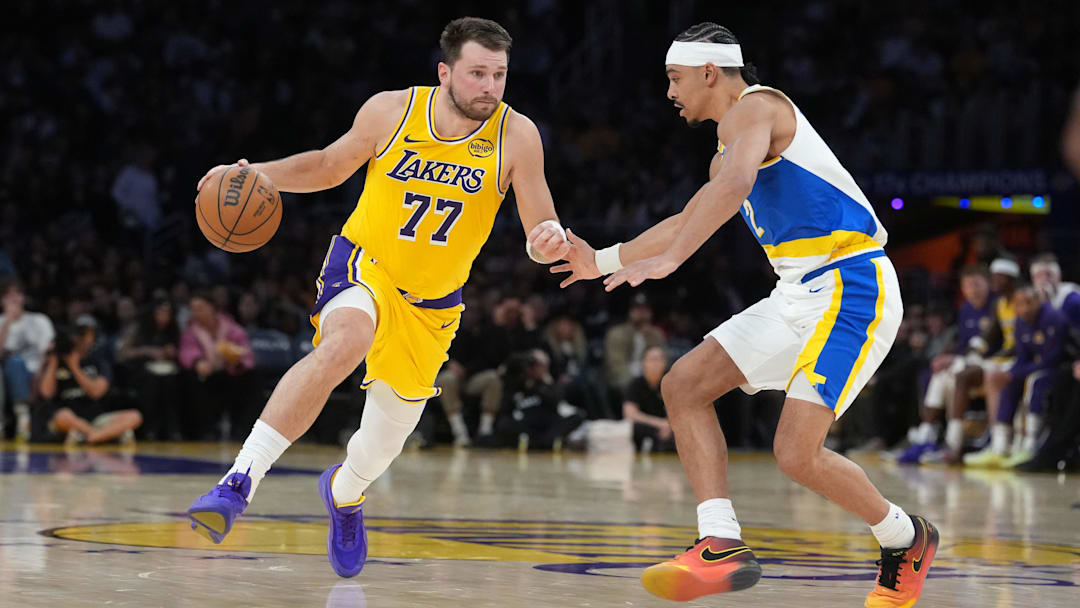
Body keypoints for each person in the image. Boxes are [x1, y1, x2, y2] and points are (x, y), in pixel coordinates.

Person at [553, 23, 937, 605]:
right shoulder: (729, 147)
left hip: (851, 285)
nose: (669, 92)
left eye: (674, 78)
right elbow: (692, 213)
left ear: (710, 73)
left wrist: (671, 261)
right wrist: (601, 258)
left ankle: (904, 538)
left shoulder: (759, 107)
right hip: (797, 292)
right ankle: (720, 543)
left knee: (795, 454)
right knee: (683, 385)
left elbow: (731, 190)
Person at [186, 17, 570, 581]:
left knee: (379, 447)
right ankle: (237, 482)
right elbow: (325, 165)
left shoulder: (519, 135)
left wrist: (547, 239)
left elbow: (540, 224)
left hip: (434, 305)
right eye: (477, 74)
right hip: (365, 264)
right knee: (345, 342)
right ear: (445, 73)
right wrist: (253, 173)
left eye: (499, 75)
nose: (490, 86)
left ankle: (344, 494)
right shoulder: (391, 111)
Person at [964, 285, 1067, 468]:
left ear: (1039, 301)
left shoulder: (1054, 318)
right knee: (1008, 381)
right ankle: (1000, 446)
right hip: (1037, 367)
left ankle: (1030, 446)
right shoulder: (1020, 322)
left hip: (1062, 368)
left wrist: (1018, 372)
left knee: (1033, 381)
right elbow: (1023, 357)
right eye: (1019, 304)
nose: (1025, 308)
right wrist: (1012, 374)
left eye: (1029, 303)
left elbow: (1054, 359)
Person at [900, 265, 992, 464]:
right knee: (940, 375)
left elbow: (988, 344)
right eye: (968, 285)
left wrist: (956, 358)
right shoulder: (966, 309)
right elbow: (963, 344)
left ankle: (953, 443)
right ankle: (927, 438)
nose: (973, 289)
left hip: (991, 360)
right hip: (969, 359)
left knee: (955, 372)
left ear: (988, 284)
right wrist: (948, 355)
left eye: (977, 284)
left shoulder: (995, 305)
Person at [35, 317, 142, 444]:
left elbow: (97, 392)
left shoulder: (98, 363)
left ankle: (90, 435)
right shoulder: (57, 362)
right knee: (62, 416)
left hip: (96, 418)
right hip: (68, 417)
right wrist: (53, 361)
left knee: (135, 416)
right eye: (78, 334)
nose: (81, 338)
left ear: (92, 338)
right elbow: (46, 393)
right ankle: (102, 435)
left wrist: (74, 367)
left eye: (85, 334)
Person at [178, 291, 256, 440]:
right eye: (193, 309)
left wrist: (237, 359)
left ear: (212, 307)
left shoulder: (231, 327)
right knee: (191, 379)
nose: (195, 312)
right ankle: (206, 431)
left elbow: (245, 350)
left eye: (200, 307)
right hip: (206, 375)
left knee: (252, 377)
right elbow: (186, 351)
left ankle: (242, 430)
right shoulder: (191, 331)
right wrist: (197, 361)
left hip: (229, 373)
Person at [0, 279, 55, 440]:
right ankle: (6, 423)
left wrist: (40, 375)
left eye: (18, 293)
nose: (14, 298)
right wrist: (8, 322)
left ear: (24, 297)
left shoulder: (39, 320)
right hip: (5, 378)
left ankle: (23, 418)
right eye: (9, 295)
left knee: (17, 363)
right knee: (14, 362)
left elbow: (48, 353)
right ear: (2, 300)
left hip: (36, 374)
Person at [603, 293, 666, 392]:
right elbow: (616, 366)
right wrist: (639, 383)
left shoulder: (656, 334)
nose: (641, 313)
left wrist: (649, 338)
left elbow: (664, 360)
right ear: (630, 312)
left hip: (651, 377)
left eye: (645, 309)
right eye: (637, 309)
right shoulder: (616, 333)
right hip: (624, 379)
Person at [622, 346, 674, 452]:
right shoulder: (636, 384)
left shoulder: (671, 383)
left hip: (671, 427)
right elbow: (629, 414)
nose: (655, 364)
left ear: (664, 363)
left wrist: (670, 425)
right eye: (652, 359)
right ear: (643, 362)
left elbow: (681, 410)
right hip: (649, 426)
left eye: (659, 359)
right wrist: (661, 423)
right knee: (634, 428)